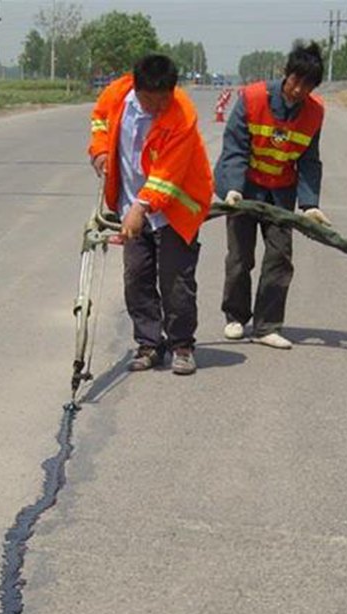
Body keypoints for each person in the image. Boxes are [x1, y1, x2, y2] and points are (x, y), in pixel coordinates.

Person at [88, 54, 213, 375]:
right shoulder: (116, 95)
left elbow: (167, 175)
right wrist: (100, 150)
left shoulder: (182, 115)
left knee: (176, 280)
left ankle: (181, 345)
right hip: (131, 204)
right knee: (136, 276)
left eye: (164, 100)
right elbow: (100, 121)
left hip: (174, 208)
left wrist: (140, 209)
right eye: (151, 101)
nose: (159, 107)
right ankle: (149, 344)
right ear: (136, 87)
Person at [214, 42, 330, 350]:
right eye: (295, 81)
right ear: (285, 74)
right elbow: (235, 146)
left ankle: (267, 325)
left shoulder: (314, 113)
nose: (298, 90)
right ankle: (235, 316)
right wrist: (233, 187)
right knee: (240, 256)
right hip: (245, 187)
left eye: (307, 85)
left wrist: (309, 205)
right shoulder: (252, 98)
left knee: (279, 256)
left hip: (280, 190)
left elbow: (308, 161)